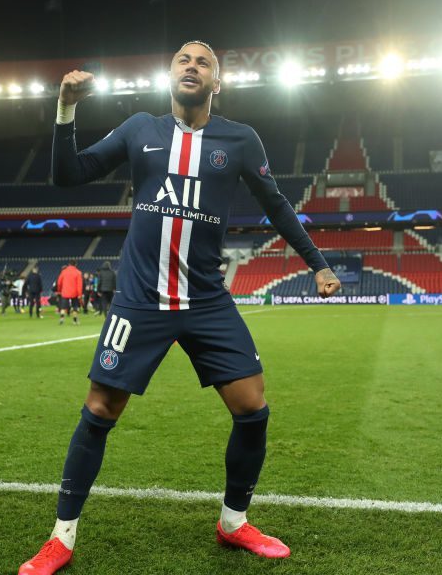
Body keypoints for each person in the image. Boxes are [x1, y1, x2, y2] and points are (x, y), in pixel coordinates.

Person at [17, 40, 340, 575]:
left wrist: (318, 263)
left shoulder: (239, 139)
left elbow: (276, 204)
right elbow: (68, 175)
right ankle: (61, 538)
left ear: (218, 83)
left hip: (206, 300)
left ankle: (233, 523)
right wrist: (66, 109)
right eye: (183, 60)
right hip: (140, 299)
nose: (192, 66)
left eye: (204, 62)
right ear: (170, 76)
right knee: (100, 409)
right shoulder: (140, 129)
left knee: (252, 408)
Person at [55, 260, 83, 326]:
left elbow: (59, 282)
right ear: (75, 264)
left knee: (63, 307)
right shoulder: (78, 272)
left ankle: (62, 318)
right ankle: (75, 320)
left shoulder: (64, 272)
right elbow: (79, 285)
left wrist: (59, 290)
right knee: (75, 306)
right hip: (74, 293)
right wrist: (80, 294)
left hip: (65, 292)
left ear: (69, 264)